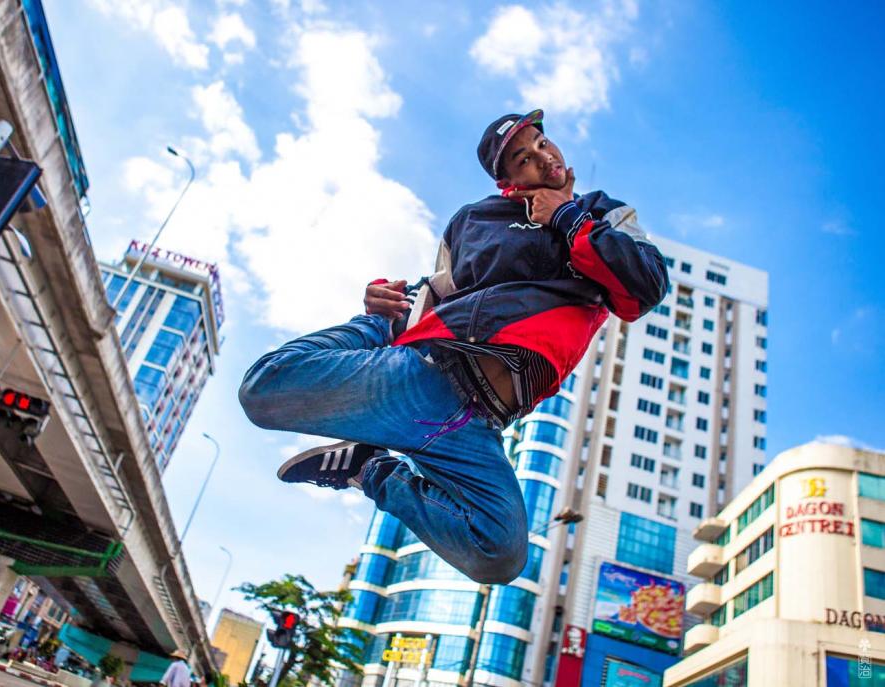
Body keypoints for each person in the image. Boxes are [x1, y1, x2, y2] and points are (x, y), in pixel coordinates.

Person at [239, 109, 668, 584]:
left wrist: (566, 217)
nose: (544, 159)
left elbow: (644, 287)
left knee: (499, 554)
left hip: (478, 424)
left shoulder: (604, 214)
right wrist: (382, 311)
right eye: (524, 159)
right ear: (508, 182)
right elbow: (433, 295)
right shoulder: (475, 221)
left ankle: (369, 469)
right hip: (427, 376)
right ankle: (371, 334)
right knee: (262, 390)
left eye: (542, 145)